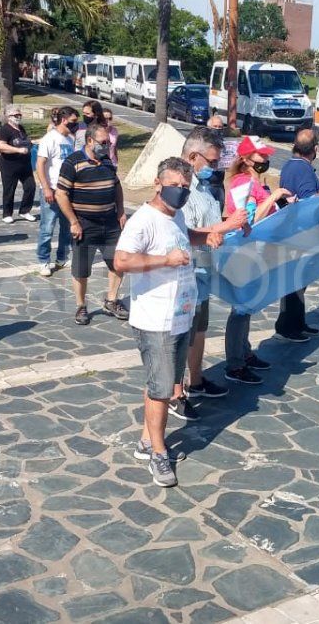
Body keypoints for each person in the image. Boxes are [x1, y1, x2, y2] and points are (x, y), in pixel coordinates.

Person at [114, 158, 223, 488]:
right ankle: (159, 452)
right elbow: (121, 261)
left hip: (179, 315)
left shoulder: (174, 218)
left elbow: (186, 236)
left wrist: (208, 238)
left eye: (185, 188)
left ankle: (147, 441)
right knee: (161, 388)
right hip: (154, 319)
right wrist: (165, 260)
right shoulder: (143, 221)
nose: (181, 191)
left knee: (160, 385)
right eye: (175, 185)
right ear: (158, 184)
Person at [178, 127, 250, 408]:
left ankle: (195, 381)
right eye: (211, 162)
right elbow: (184, 232)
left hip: (204, 273)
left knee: (199, 331)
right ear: (193, 156)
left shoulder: (204, 188)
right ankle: (176, 392)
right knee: (183, 335)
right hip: (187, 275)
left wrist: (232, 223)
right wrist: (224, 225)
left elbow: (211, 226)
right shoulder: (181, 190)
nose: (215, 168)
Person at [219, 137, 288, 386]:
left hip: (254, 252)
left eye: (266, 156)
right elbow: (248, 221)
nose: (266, 160)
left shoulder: (253, 182)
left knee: (246, 307)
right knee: (240, 309)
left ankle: (244, 352)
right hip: (243, 253)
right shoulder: (242, 184)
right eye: (261, 156)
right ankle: (235, 364)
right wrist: (275, 196)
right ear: (246, 159)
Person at [275, 129, 319, 342]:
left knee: (300, 281)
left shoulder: (289, 165)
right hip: (301, 234)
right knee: (296, 281)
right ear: (315, 149)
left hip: (293, 232)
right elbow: (309, 201)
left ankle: (298, 322)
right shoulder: (303, 170)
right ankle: (287, 327)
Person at [55, 124, 128, 325]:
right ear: (89, 141)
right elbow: (60, 194)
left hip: (110, 222)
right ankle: (81, 306)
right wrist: (73, 221)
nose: (107, 146)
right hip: (84, 224)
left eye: (108, 143)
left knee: (118, 262)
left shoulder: (107, 162)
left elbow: (117, 185)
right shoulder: (73, 163)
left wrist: (120, 210)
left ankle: (112, 300)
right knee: (81, 268)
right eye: (103, 143)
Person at [35, 106, 80, 277]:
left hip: (66, 191)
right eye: (73, 122)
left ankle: (62, 257)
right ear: (63, 120)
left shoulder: (69, 139)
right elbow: (40, 164)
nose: (75, 125)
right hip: (52, 189)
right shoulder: (50, 138)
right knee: (47, 227)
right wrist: (46, 187)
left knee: (66, 226)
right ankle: (43, 260)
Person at [0, 104, 36, 223]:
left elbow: (25, 141)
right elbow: (1, 146)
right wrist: (17, 150)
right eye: (16, 114)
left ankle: (25, 211)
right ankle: (7, 214)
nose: (18, 116)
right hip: (9, 164)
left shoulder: (21, 128)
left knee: (30, 187)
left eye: (19, 114)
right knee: (9, 189)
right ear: (8, 116)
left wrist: (33, 143)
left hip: (24, 164)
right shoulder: (5, 130)